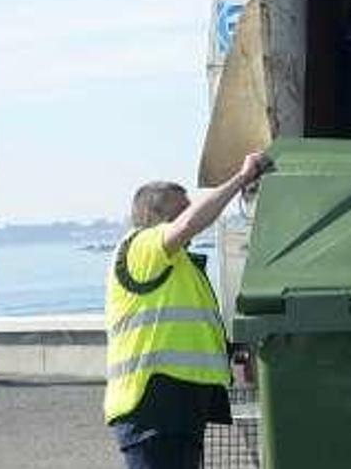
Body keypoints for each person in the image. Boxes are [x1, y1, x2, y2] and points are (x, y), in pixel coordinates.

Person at [103, 152, 270, 469]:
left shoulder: (178, 266)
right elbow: (192, 223)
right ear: (155, 215)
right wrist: (241, 178)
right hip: (153, 408)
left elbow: (188, 329)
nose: (190, 217)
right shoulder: (140, 247)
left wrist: (233, 352)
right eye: (182, 210)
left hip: (176, 409)